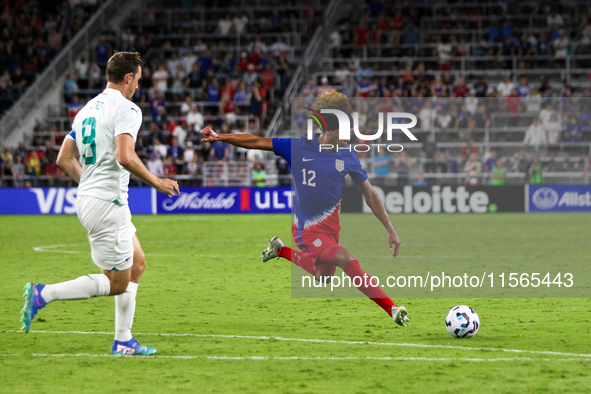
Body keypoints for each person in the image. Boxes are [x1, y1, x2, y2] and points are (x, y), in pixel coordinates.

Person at [201, 90, 410, 326]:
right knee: (346, 259)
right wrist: (220, 137)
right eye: (345, 129)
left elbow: (370, 194)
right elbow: (256, 141)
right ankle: (392, 308)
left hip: (331, 231)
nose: (350, 134)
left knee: (322, 277)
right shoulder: (298, 148)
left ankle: (279, 250)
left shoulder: (347, 155)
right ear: (329, 128)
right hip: (307, 230)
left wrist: (390, 229)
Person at [20, 52, 180, 356]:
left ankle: (124, 340)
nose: (138, 87)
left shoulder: (86, 111)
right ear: (129, 77)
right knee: (117, 283)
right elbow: (124, 155)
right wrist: (157, 182)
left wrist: (91, 186)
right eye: (138, 80)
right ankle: (44, 293)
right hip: (108, 204)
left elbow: (63, 158)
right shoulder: (127, 109)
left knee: (138, 263)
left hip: (94, 199)